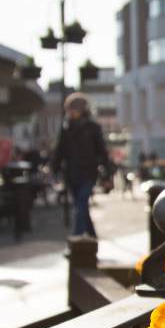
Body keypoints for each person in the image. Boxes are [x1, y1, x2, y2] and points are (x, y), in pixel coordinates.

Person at [48, 93, 113, 238]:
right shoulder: (66, 128)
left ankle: (77, 238)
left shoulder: (93, 128)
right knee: (80, 205)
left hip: (88, 173)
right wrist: (54, 170)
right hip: (71, 174)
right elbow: (60, 151)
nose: (70, 112)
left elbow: (102, 152)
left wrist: (107, 175)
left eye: (73, 109)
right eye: (69, 109)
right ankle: (91, 235)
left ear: (82, 109)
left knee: (81, 204)